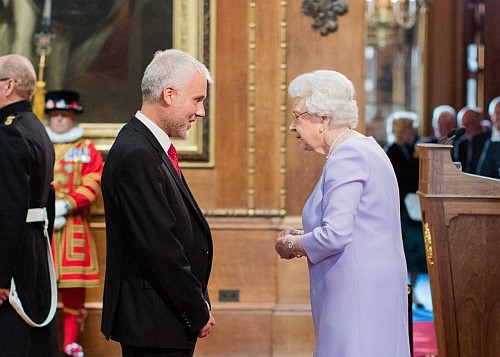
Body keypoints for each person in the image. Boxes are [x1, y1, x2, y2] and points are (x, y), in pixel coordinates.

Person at [275, 70, 410, 356]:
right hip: (367, 289)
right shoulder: (364, 148)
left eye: (297, 116)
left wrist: (291, 244)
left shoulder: (347, 155)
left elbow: (335, 235)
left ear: (323, 118)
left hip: (357, 297)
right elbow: (357, 225)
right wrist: (304, 235)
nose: (291, 126)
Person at [101, 49, 215, 357]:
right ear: (169, 94)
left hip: (162, 318)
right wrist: (196, 310)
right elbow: (159, 248)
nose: (201, 111)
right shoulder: (138, 152)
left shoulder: (149, 147)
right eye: (197, 99)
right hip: (154, 321)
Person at [0, 54, 58, 356]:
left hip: (13, 253)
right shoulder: (35, 127)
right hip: (33, 246)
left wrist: (1, 274)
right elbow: (48, 197)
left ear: (9, 85)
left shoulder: (8, 130)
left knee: (11, 340)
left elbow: (9, 208)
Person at [44, 90, 103, 357]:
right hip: (40, 228)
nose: (59, 120)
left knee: (72, 289)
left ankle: (69, 342)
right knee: (38, 286)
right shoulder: (38, 143)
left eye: (64, 115)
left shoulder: (86, 149)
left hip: (73, 227)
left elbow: (93, 182)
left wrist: (67, 203)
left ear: (72, 118)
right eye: (54, 115)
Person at [385, 111, 427, 309]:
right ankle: (403, 290)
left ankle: (414, 290)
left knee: (418, 254)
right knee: (405, 252)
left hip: (415, 209)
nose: (414, 132)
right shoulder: (391, 152)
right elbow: (402, 179)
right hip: (401, 208)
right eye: (411, 129)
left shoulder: (413, 150)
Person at [453, 106, 498, 178]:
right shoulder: (461, 144)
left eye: (469, 124)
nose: (466, 129)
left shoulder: (491, 139)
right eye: (463, 126)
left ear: (479, 121)